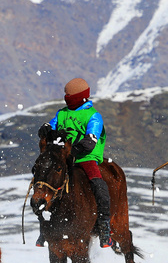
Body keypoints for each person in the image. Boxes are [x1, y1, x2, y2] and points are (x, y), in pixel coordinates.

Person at [39, 77, 113, 249]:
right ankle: (44, 226)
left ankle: (104, 226)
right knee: (43, 182)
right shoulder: (62, 113)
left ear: (78, 96)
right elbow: (52, 125)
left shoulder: (93, 116)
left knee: (98, 185)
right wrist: (46, 129)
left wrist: (73, 151)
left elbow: (90, 141)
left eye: (69, 95)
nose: (66, 98)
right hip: (63, 158)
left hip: (85, 158)